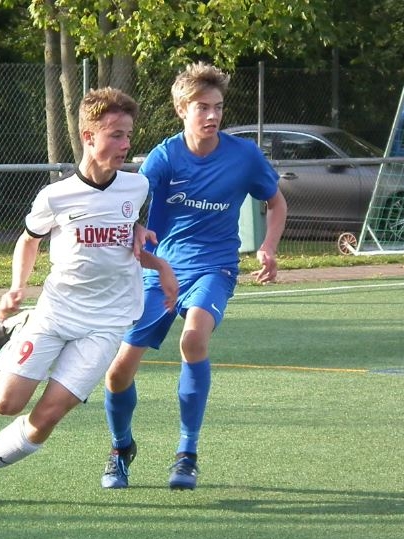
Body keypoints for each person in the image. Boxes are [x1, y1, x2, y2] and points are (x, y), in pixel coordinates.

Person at [0, 87, 178, 506]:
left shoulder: (137, 187)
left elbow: (125, 240)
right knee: (5, 404)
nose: (125, 144)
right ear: (88, 137)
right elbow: (29, 240)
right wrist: (17, 287)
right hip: (56, 313)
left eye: (128, 135)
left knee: (48, 416)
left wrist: (159, 263)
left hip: (107, 323)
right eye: (115, 135)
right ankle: (23, 322)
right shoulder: (55, 196)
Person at [100, 61, 287, 491]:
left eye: (218, 107)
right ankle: (121, 448)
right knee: (117, 373)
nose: (212, 115)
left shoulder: (243, 156)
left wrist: (269, 246)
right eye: (202, 107)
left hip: (214, 267)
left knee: (194, 338)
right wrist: (132, 234)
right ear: (182, 109)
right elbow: (129, 205)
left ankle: (187, 454)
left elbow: (276, 202)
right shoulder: (165, 157)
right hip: (161, 269)